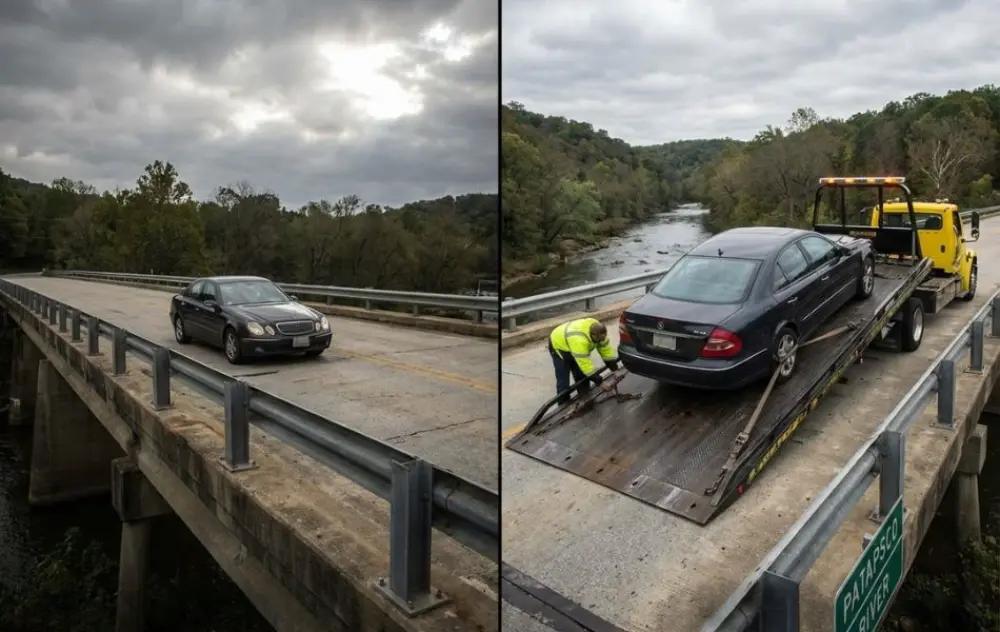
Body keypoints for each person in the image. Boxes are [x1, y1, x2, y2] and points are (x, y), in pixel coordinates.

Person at [548, 317, 624, 404]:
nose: (600, 342)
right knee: (563, 379)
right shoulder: (580, 341)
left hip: (571, 341)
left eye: (602, 340)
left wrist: (615, 370)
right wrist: (600, 383)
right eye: (598, 340)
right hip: (558, 345)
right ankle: (563, 405)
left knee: (581, 375)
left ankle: (585, 398)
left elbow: (606, 353)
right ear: (594, 335)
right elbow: (586, 366)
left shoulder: (601, 334)